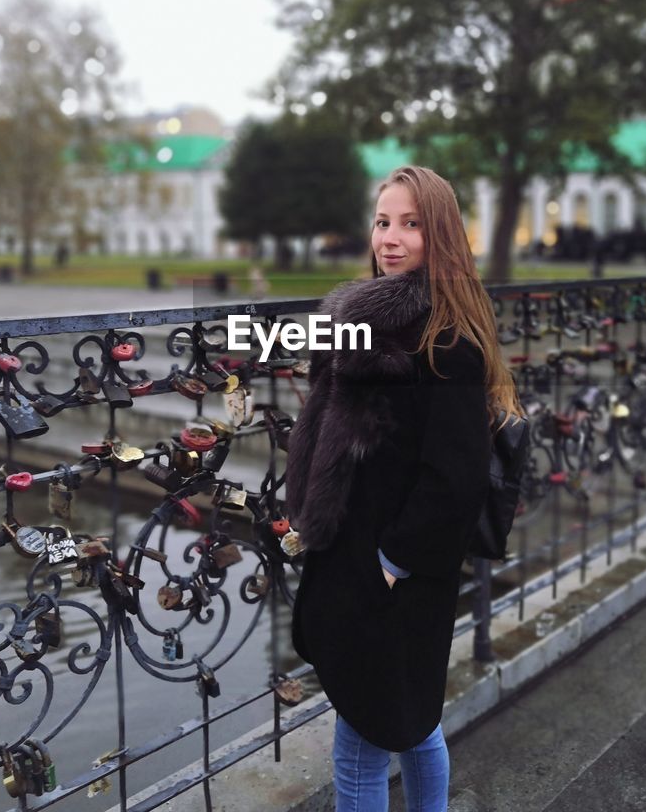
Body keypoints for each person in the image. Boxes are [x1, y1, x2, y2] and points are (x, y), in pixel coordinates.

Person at [285, 165, 522, 811]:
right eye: (384, 221)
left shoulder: (445, 341)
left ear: (439, 235)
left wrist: (392, 562)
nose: (391, 238)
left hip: (392, 566)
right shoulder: (364, 323)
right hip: (358, 550)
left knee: (362, 743)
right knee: (413, 721)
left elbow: (457, 476)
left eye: (411, 224)